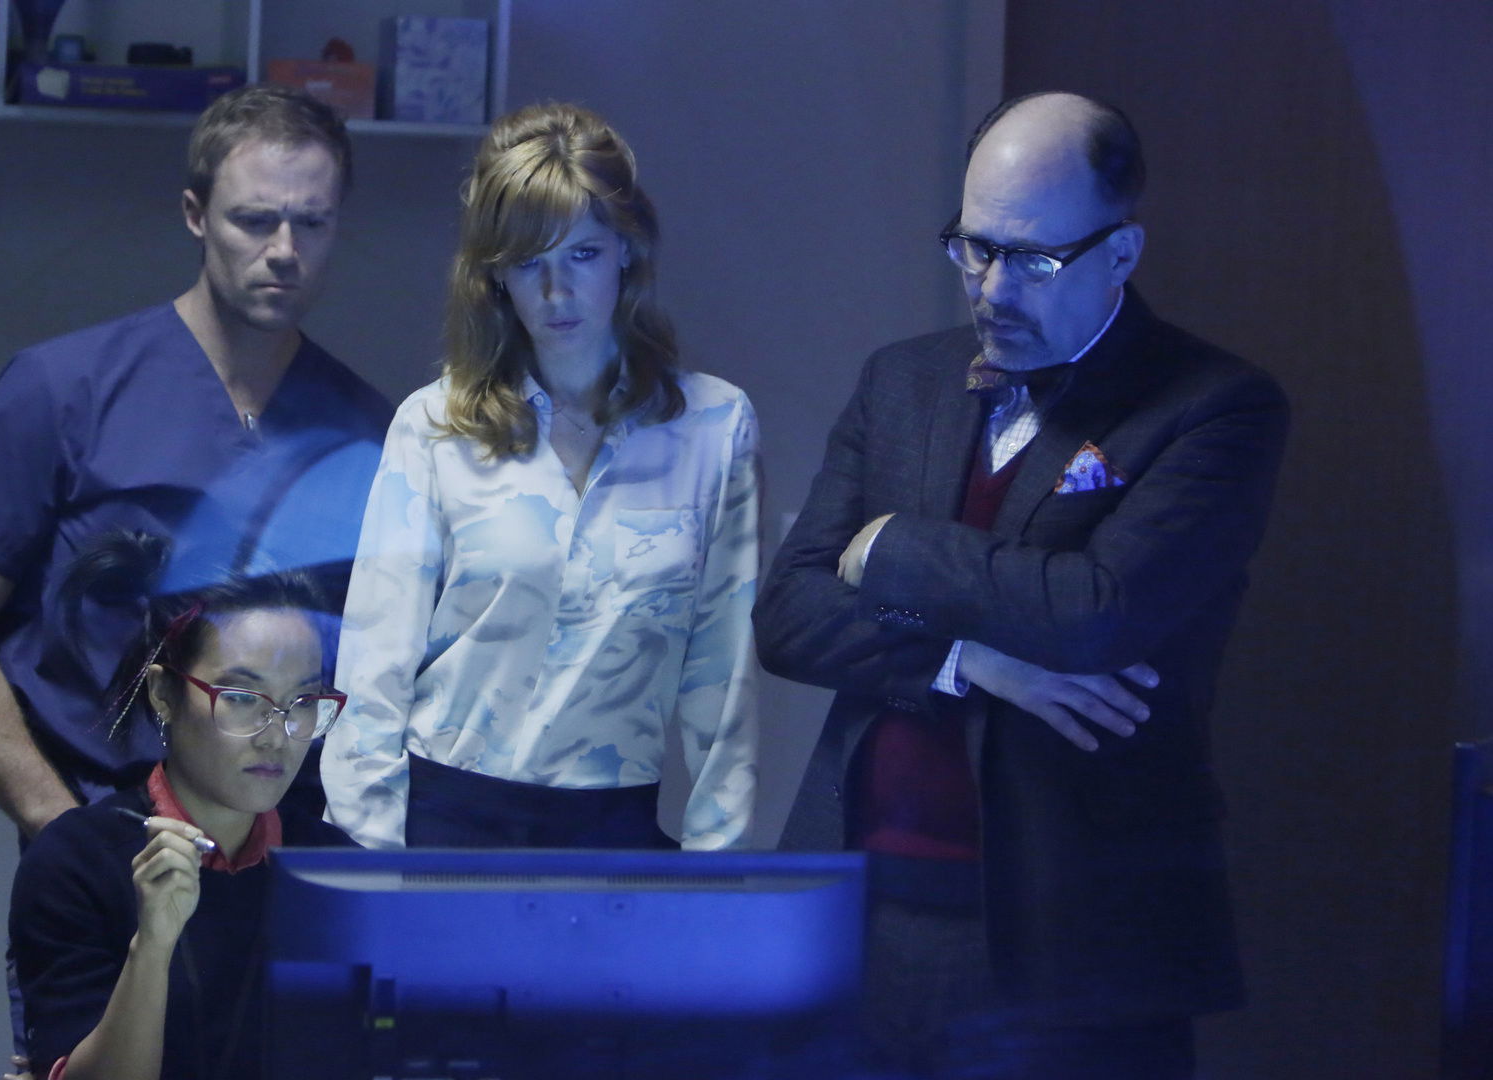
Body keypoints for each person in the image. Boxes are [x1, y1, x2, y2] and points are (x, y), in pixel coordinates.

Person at [754, 92, 1290, 1078]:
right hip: (861, 906)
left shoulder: (1216, 406)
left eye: (1034, 260)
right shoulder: (902, 381)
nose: (993, 288)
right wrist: (970, 660)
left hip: (1073, 940)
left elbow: (1096, 613)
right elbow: (789, 615)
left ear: (1121, 253)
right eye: (975, 248)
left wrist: (895, 547)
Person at [0, 84, 391, 836]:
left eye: (312, 222)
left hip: (287, 848)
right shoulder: (64, 391)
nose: (284, 251)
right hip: (106, 826)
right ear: (196, 214)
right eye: (255, 220)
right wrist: (57, 825)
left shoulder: (369, 432)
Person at [322, 102, 760, 851]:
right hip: (445, 817)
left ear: (627, 250)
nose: (557, 292)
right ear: (494, 275)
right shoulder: (433, 427)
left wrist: (717, 866)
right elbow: (373, 668)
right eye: (529, 262)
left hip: (615, 826)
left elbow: (725, 676)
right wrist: (376, 865)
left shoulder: (714, 428)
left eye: (583, 254)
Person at [10, 531, 355, 1080]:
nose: (276, 735)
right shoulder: (78, 860)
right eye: (240, 698)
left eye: (303, 701)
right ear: (163, 694)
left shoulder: (336, 870)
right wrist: (152, 945)